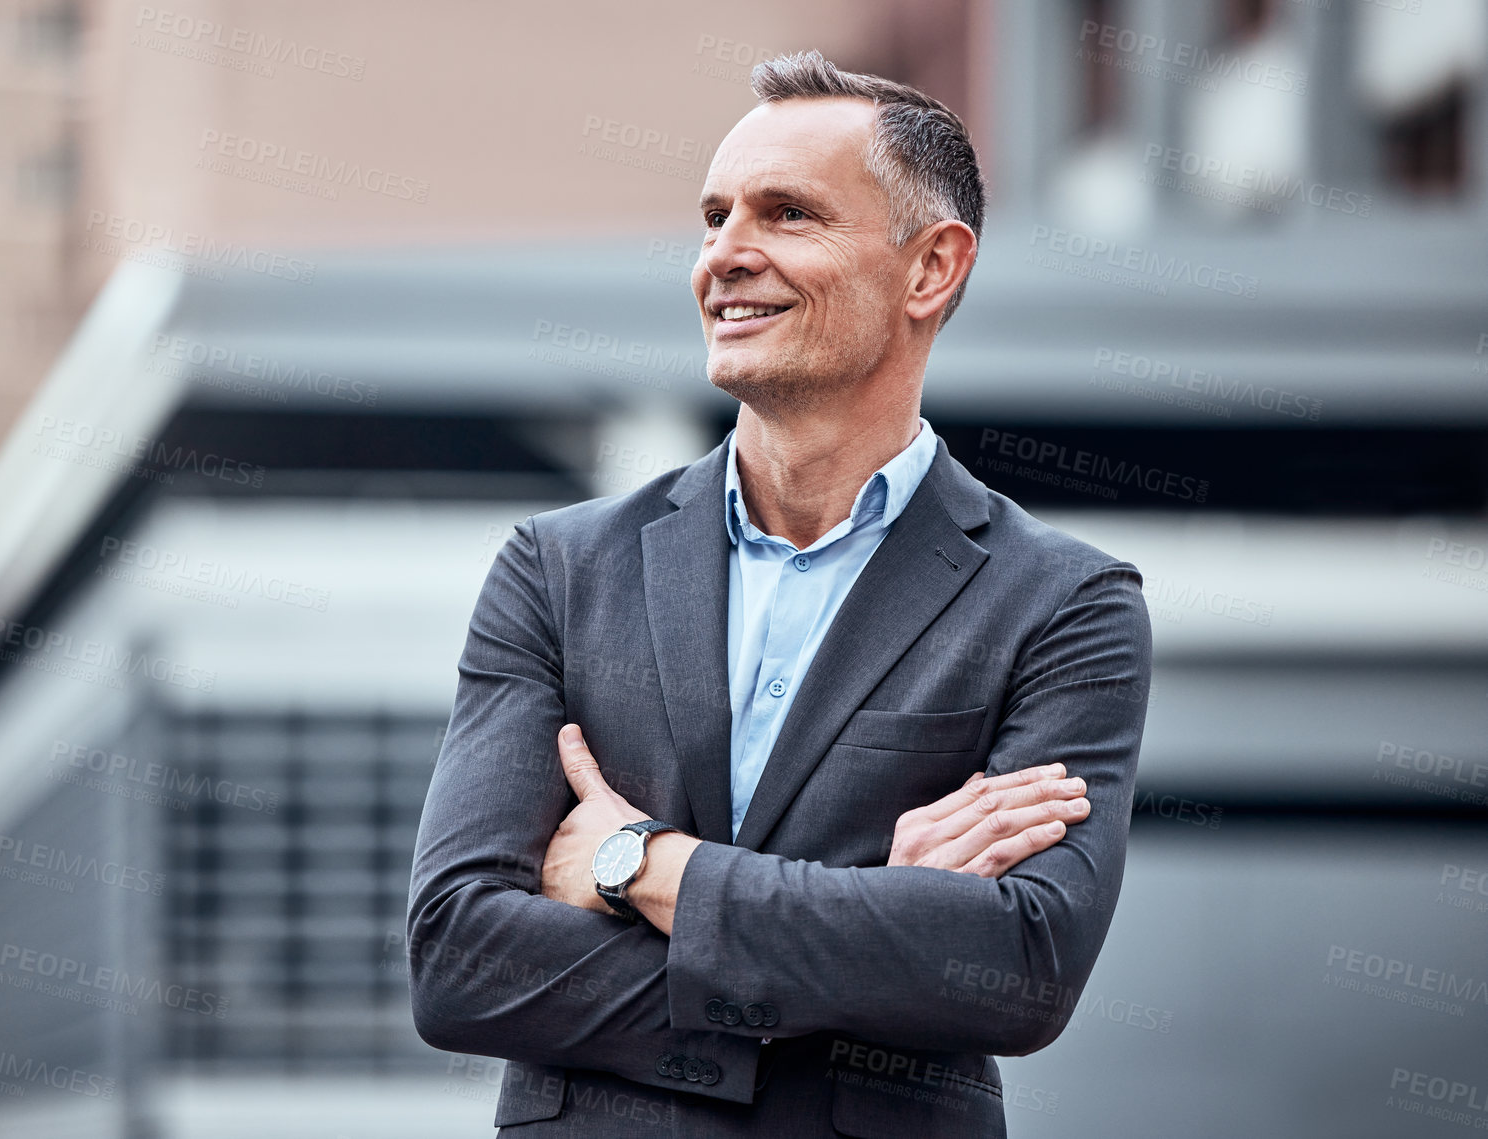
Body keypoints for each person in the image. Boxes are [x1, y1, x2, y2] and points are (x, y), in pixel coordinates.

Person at [407, 49, 1151, 1138]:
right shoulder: (557, 569)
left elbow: (1015, 968)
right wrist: (867, 923)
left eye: (785, 214)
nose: (724, 256)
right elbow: (458, 959)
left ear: (930, 269)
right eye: (713, 217)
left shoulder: (1062, 604)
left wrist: (637, 861)